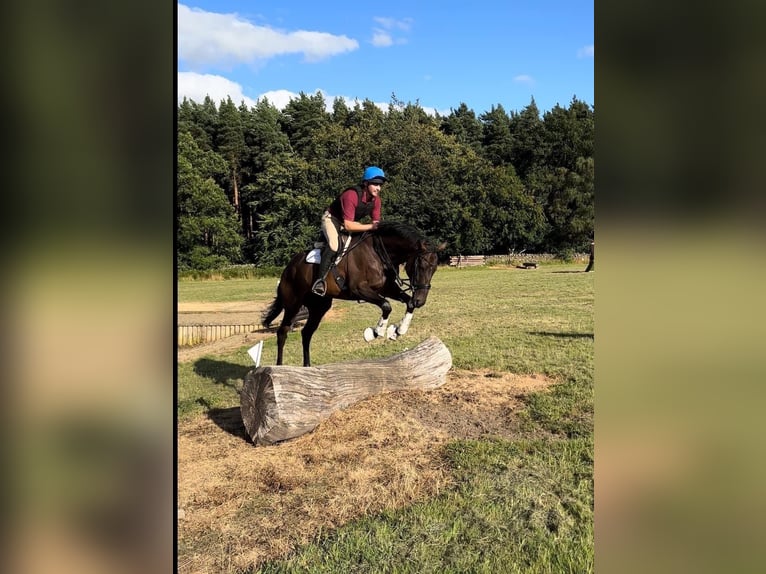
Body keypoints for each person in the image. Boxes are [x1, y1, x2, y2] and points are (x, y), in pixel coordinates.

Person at [311, 166, 386, 296]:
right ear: (365, 183)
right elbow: (348, 226)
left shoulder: (376, 200)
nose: (378, 188)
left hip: (349, 222)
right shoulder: (351, 195)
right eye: (375, 184)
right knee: (334, 245)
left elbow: (376, 223)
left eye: (380, 185)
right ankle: (320, 281)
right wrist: (370, 227)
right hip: (332, 219)